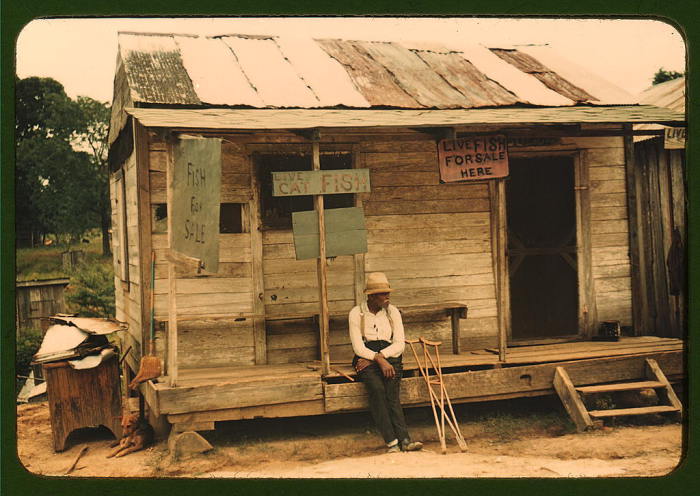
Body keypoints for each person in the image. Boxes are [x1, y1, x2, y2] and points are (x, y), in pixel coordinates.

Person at [348, 272, 423, 453]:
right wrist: (378, 360)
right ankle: (391, 442)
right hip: (366, 356)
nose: (387, 296)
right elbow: (358, 347)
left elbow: (399, 344)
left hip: (389, 357)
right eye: (383, 293)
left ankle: (405, 440)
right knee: (377, 390)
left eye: (388, 292)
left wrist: (380, 357)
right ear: (371, 296)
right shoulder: (356, 313)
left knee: (392, 393)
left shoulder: (393, 311)